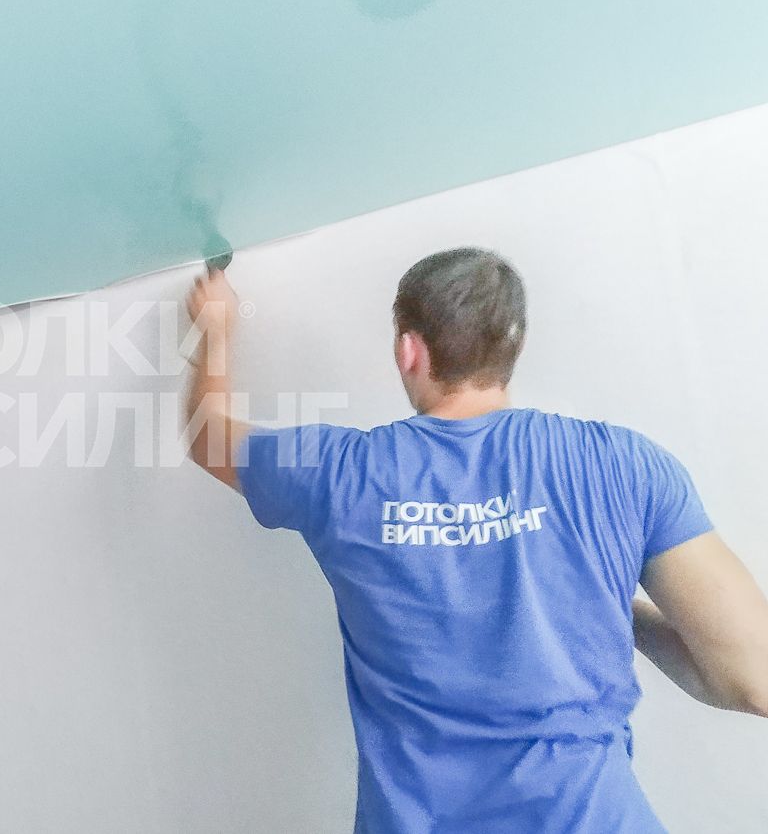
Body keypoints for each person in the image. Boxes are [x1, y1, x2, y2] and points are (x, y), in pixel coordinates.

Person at [183, 247, 768, 833]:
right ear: (513, 347)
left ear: (408, 350)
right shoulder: (622, 466)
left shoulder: (341, 474)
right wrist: (607, 601)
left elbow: (208, 437)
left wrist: (215, 332)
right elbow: (756, 681)